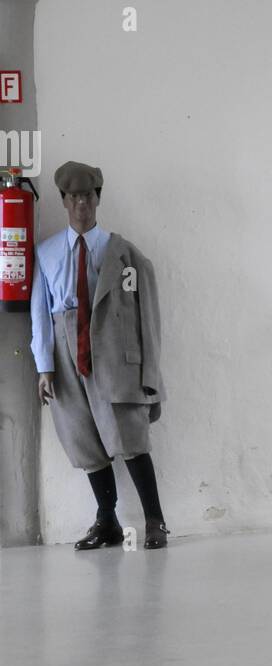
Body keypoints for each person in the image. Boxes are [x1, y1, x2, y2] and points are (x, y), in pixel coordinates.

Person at [30, 161, 169, 551]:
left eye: (88, 196)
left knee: (128, 436)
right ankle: (106, 522)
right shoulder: (47, 253)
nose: (81, 205)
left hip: (111, 354)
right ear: (63, 201)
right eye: (73, 197)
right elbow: (40, 312)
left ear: (98, 199)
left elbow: (148, 320)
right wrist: (44, 366)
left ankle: (155, 520)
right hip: (65, 354)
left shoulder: (123, 254)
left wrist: (150, 374)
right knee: (83, 439)